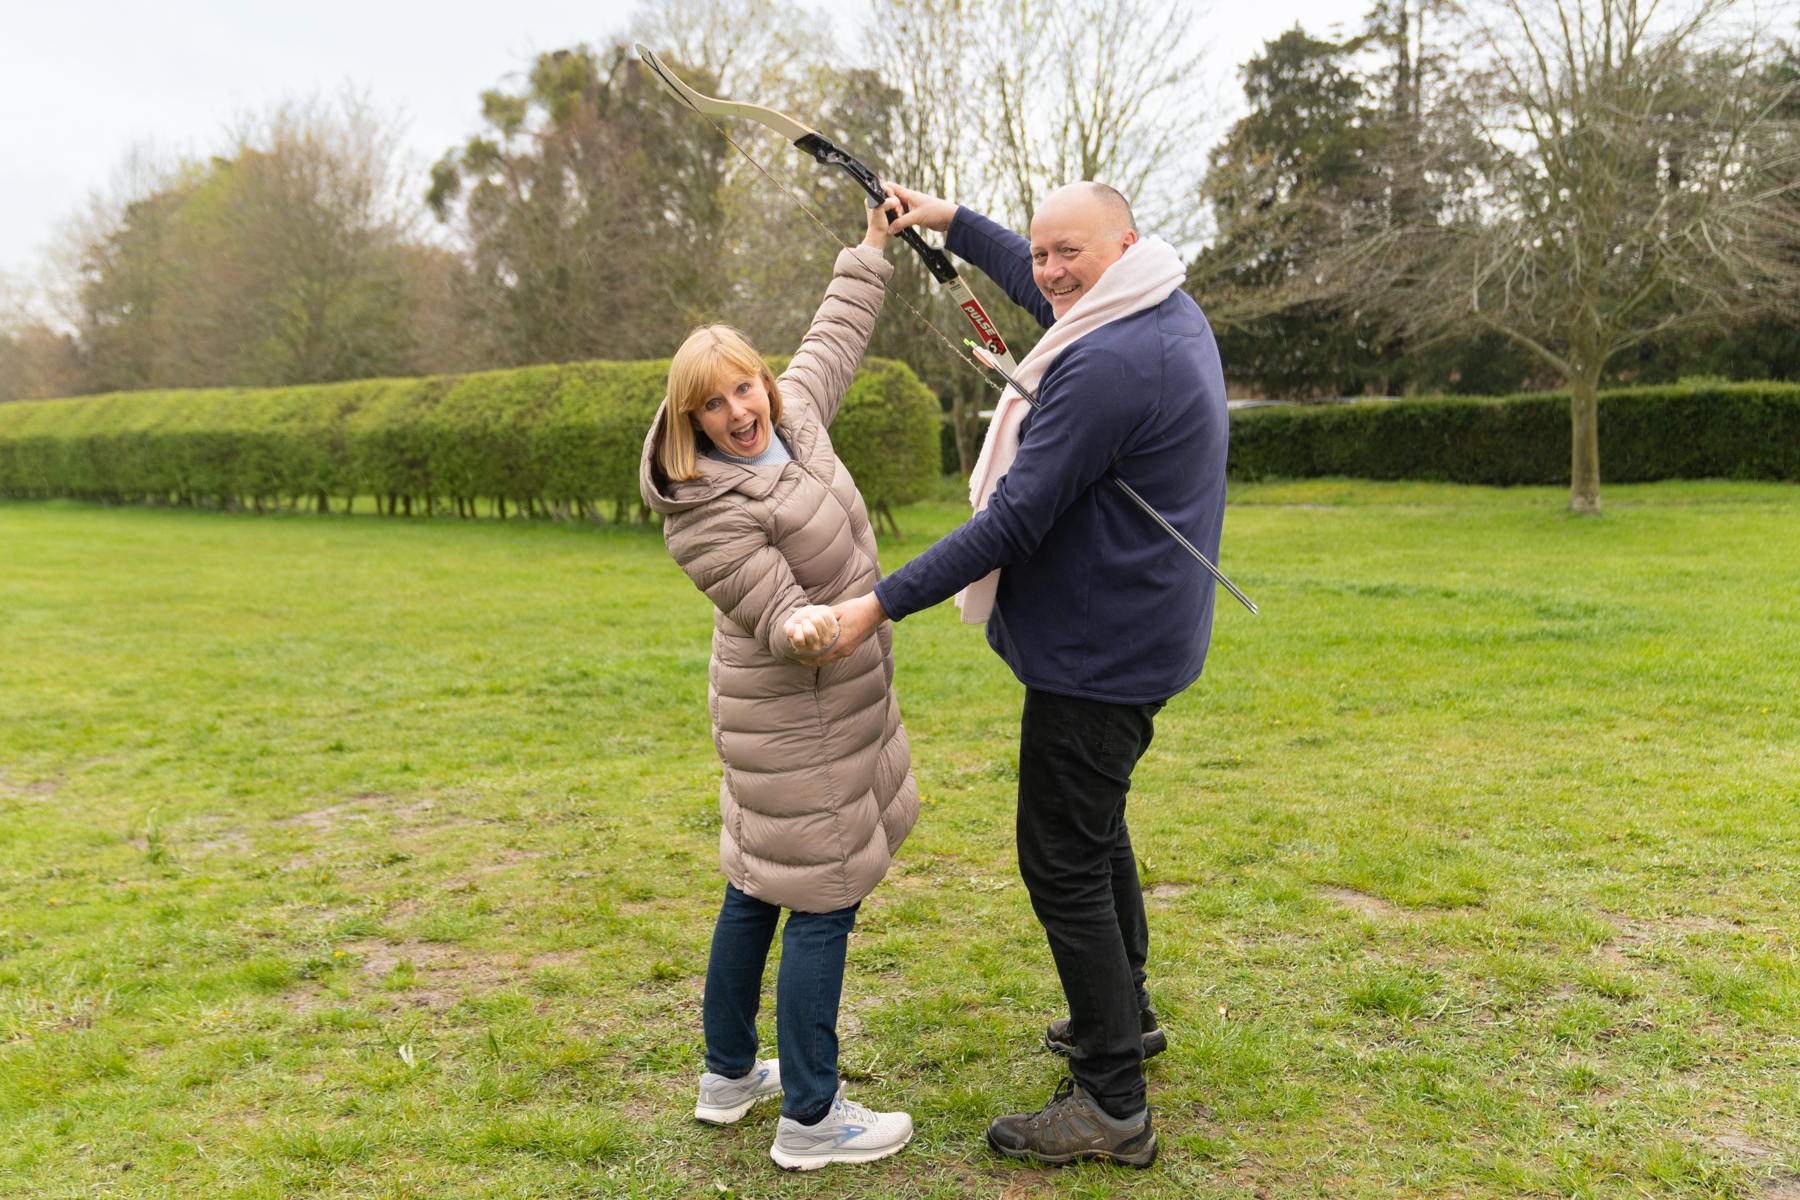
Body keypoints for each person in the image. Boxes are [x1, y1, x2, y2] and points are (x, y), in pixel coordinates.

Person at [810, 180, 1231, 1169]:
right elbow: (1044, 290)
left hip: (1101, 653)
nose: (1047, 272)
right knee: (1095, 827)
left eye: (1067, 252)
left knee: (1062, 856)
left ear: (1122, 241)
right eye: (1041, 251)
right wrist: (950, 221)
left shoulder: (1111, 362)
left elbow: (1012, 522)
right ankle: (1124, 1014)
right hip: (1142, 634)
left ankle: (1112, 1099)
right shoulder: (1155, 302)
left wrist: (874, 604)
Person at [637, 195, 919, 1171]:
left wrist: (873, 247)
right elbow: (778, 613)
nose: (740, 412)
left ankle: (728, 1075)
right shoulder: (704, 509)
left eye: (745, 388)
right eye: (713, 405)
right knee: (822, 900)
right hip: (796, 721)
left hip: (813, 712)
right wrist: (826, 621)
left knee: (755, 887)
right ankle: (812, 1118)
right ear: (691, 421)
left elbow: (833, 333)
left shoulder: (799, 425)